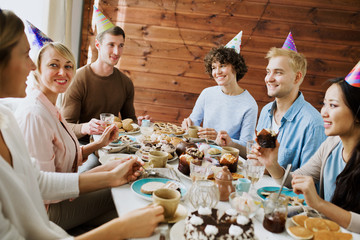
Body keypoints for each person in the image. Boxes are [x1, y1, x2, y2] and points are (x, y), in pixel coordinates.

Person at [0, 9, 163, 239]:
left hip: (56, 201)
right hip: (51, 212)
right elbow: (40, 193)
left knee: (129, 193)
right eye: (25, 55)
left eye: (68, 66)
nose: (31, 66)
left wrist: (109, 171)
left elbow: (38, 179)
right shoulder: (32, 114)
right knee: (128, 201)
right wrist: (121, 228)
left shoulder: (8, 119)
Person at [14, 42, 123, 230]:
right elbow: (44, 188)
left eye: (68, 66)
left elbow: (62, 156)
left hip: (60, 197)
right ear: (36, 68)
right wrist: (110, 176)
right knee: (121, 193)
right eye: (54, 65)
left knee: (120, 211)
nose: (63, 73)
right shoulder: (35, 115)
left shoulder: (51, 108)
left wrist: (100, 144)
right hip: (45, 212)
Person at [249, 74, 360, 233]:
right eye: (324, 104)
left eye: (333, 106)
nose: (323, 112)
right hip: (322, 232)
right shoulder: (331, 145)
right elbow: (293, 181)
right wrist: (272, 164)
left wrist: (319, 204)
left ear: (357, 114)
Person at [218, 45, 326, 169]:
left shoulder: (313, 124)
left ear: (297, 77)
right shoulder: (266, 110)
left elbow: (309, 181)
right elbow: (255, 154)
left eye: (278, 72)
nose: (269, 78)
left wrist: (270, 169)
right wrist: (232, 144)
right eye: (268, 72)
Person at [182, 46, 258, 149]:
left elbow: (246, 147)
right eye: (214, 67)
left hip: (228, 157)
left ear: (235, 67)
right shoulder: (207, 93)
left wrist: (221, 138)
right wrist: (187, 124)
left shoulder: (250, 105)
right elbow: (192, 124)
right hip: (202, 152)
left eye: (222, 66)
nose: (217, 72)